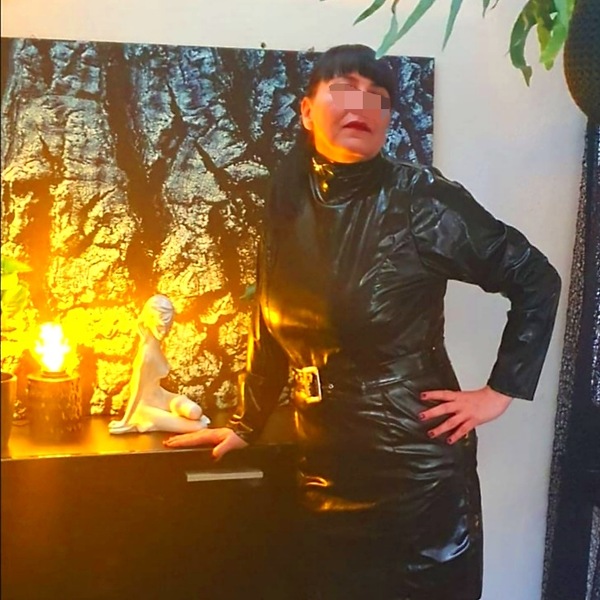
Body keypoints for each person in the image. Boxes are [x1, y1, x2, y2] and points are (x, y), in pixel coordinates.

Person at [164, 45, 561, 599]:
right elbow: (268, 325)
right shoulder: (286, 202)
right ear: (307, 111)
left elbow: (535, 278)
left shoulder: (420, 199)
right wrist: (246, 422)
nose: (363, 106)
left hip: (413, 477)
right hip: (322, 465)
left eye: (378, 98)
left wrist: (499, 393)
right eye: (345, 90)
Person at [109, 294, 210, 434]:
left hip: (162, 397)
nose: (164, 332)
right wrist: (125, 422)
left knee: (195, 412)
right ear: (149, 321)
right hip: (145, 406)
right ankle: (155, 419)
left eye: (168, 327)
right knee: (200, 426)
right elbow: (136, 392)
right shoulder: (145, 356)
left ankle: (172, 417)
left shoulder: (156, 345)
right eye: (160, 327)